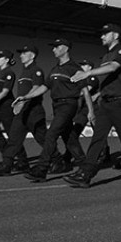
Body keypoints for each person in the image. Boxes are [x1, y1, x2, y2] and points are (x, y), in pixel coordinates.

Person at [65, 24, 121, 188]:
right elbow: (105, 78)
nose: (102, 36)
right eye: (101, 34)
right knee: (98, 138)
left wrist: (87, 72)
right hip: (106, 102)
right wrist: (98, 94)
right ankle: (86, 174)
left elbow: (113, 68)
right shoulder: (105, 56)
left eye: (106, 33)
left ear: (116, 35)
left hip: (120, 102)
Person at [16, 39, 93, 182]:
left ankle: (41, 168)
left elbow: (85, 91)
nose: (53, 50)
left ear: (65, 48)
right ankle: (85, 166)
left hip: (68, 104)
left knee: (51, 134)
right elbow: (43, 88)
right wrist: (25, 97)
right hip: (57, 106)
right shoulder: (55, 69)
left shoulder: (75, 68)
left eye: (56, 47)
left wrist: (91, 111)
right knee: (69, 138)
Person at [0, 45, 48, 176]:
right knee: (14, 138)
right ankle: (6, 165)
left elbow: (37, 88)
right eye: (21, 53)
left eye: (24, 53)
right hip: (22, 111)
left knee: (42, 138)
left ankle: (57, 160)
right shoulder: (24, 71)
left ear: (32, 56)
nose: (21, 55)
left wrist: (23, 100)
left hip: (34, 110)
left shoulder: (36, 70)